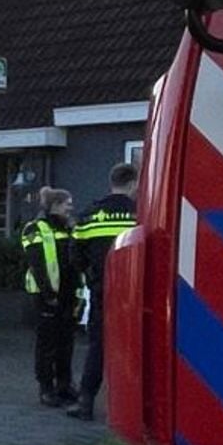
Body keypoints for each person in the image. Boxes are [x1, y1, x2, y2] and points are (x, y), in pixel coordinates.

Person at [68, 163, 139, 421]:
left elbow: (74, 255)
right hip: (136, 293)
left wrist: (91, 275)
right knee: (136, 348)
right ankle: (133, 410)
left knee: (98, 347)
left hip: (102, 292)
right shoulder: (141, 213)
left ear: (112, 183)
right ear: (132, 184)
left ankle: (86, 402)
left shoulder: (90, 214)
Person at [21, 186, 81, 408]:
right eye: (67, 204)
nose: (71, 207)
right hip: (46, 296)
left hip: (68, 294)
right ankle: (46, 388)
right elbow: (37, 263)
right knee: (47, 344)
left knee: (66, 342)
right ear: (55, 206)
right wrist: (49, 294)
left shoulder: (70, 228)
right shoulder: (35, 228)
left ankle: (65, 385)